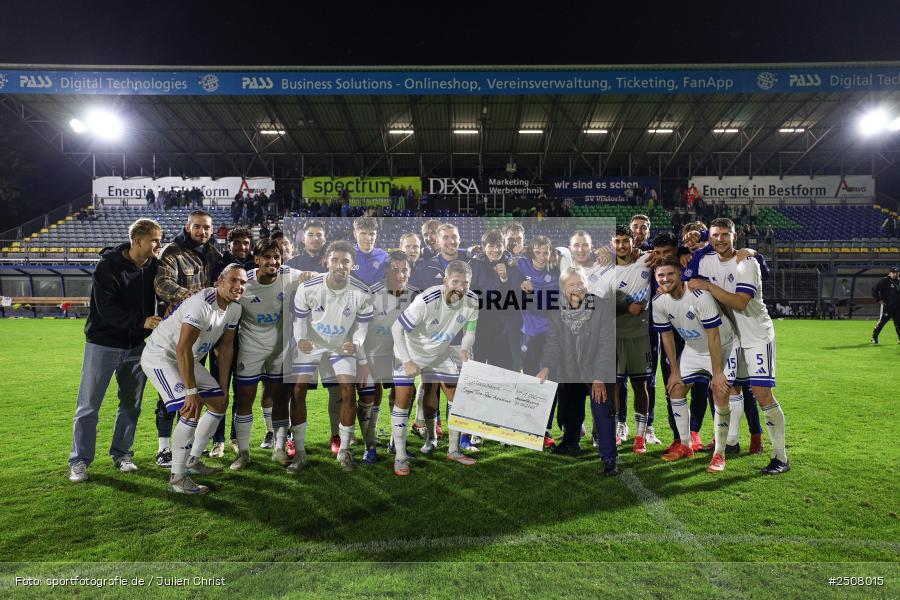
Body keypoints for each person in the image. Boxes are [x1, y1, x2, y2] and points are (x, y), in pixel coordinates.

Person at [686, 218, 789, 475]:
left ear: (734, 236)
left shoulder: (746, 262)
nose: (720, 239)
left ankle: (780, 457)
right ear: (708, 237)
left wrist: (709, 286)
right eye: (715, 235)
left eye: (725, 235)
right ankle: (723, 448)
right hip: (730, 337)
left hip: (756, 335)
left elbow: (741, 302)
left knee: (762, 393)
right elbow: (688, 282)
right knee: (724, 390)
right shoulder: (703, 259)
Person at [68, 219, 164, 483]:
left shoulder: (156, 267)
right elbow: (106, 308)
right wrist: (141, 322)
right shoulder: (107, 266)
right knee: (88, 406)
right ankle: (79, 461)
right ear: (137, 241)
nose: (158, 244)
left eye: (159, 239)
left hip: (136, 347)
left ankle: (122, 454)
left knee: (131, 406)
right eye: (154, 240)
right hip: (103, 344)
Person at [140, 264, 246, 494]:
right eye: (234, 281)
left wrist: (223, 385)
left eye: (243, 283)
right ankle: (177, 479)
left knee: (219, 403)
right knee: (191, 407)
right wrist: (190, 392)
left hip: (186, 358)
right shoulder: (202, 304)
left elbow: (226, 347)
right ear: (220, 281)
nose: (239, 286)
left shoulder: (234, 308)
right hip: (162, 356)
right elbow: (182, 348)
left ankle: (192, 460)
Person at [290, 240, 374, 472]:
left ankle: (345, 452)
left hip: (341, 346)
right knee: (297, 390)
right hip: (312, 344)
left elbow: (362, 327)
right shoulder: (308, 288)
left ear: (352, 264)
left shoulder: (361, 291)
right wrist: (301, 340)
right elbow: (299, 321)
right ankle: (299, 453)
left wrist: (356, 342)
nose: (339, 265)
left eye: (345, 261)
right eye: (335, 260)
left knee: (348, 391)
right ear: (326, 261)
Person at [390, 260, 479, 475]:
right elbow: (396, 328)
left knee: (455, 399)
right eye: (455, 282)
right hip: (409, 353)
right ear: (446, 280)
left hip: (439, 354)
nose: (460, 287)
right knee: (403, 400)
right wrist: (408, 361)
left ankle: (454, 450)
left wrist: (465, 348)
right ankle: (400, 456)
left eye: (465, 283)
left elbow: (470, 331)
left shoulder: (472, 301)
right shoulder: (427, 300)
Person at [652, 257, 740, 465]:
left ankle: (720, 454)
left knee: (720, 391)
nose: (665, 279)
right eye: (661, 275)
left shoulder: (700, 296)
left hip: (724, 346)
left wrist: (717, 373)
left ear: (680, 274)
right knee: (675, 388)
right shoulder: (658, 302)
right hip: (693, 347)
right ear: (656, 278)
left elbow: (714, 336)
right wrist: (674, 371)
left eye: (670, 274)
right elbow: (666, 336)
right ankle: (685, 445)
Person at [152, 210, 223, 468]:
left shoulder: (212, 253)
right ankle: (163, 449)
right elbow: (162, 284)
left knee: (196, 391)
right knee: (170, 395)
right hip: (175, 331)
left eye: (206, 228)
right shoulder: (172, 251)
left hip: (201, 333)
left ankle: (189, 449)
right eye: (197, 227)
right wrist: (191, 297)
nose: (202, 232)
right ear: (187, 226)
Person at [537, 267, 618, 474]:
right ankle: (570, 442)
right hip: (570, 368)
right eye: (572, 284)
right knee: (569, 408)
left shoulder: (600, 307)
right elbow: (553, 342)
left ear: (587, 285)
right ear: (564, 288)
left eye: (580, 283)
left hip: (596, 368)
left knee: (602, 409)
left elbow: (607, 344)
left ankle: (609, 458)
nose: (577, 288)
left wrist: (599, 377)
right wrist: (546, 366)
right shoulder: (557, 310)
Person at [230, 239, 302, 471]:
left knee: (280, 396)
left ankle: (278, 448)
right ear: (257, 259)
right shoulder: (244, 281)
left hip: (280, 348)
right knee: (245, 398)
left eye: (277, 257)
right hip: (250, 346)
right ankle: (243, 452)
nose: (273, 262)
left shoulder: (289, 275)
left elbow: (317, 277)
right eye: (267, 257)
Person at [610, 226, 653, 454]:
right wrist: (627, 308)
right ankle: (618, 430)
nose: (622, 246)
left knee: (640, 385)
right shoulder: (605, 269)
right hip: (615, 336)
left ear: (632, 242)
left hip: (640, 336)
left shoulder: (646, 259)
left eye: (625, 241)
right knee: (615, 386)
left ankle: (639, 436)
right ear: (611, 244)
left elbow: (674, 252)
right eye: (617, 241)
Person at [871, 266, 900, 344]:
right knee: (881, 323)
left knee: (898, 324)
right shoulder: (884, 281)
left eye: (897, 273)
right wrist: (878, 299)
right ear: (890, 273)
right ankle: (874, 337)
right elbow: (874, 290)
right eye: (893, 273)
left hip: (897, 307)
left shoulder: (899, 281)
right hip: (887, 307)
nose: (895, 274)